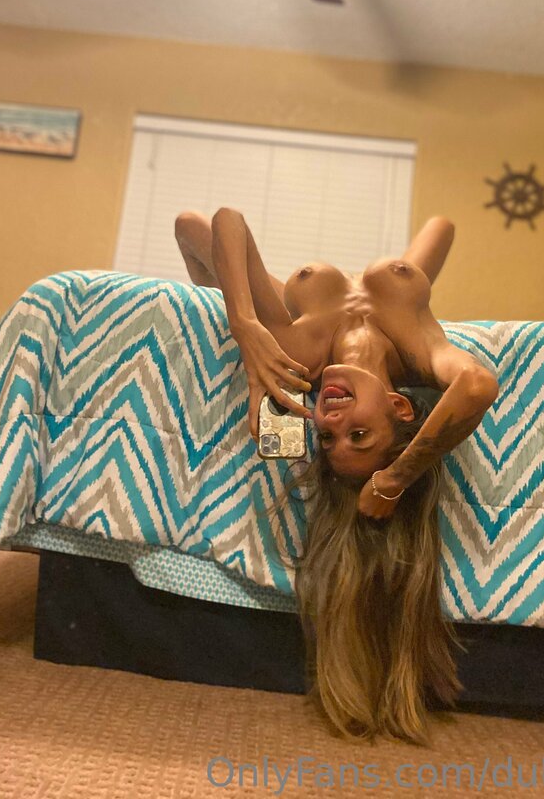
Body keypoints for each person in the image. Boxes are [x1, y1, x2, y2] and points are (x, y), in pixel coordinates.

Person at [174, 207, 499, 744]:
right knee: (443, 223)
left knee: (190, 229)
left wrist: (245, 327)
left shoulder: (298, 355)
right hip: (401, 303)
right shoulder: (422, 351)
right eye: (359, 435)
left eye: (327, 439)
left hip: (312, 315)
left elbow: (224, 220)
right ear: (400, 407)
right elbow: (478, 386)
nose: (332, 422)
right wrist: (394, 479)